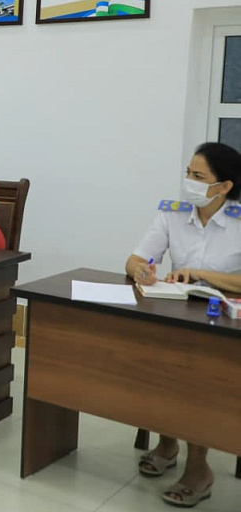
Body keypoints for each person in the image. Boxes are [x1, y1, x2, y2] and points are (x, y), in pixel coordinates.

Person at [125, 142, 241, 508]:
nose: (188, 181)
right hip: (178, 314)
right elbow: (134, 259)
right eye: (188, 173)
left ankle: (198, 467)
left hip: (226, 324)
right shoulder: (172, 214)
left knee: (200, 375)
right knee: (159, 363)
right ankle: (168, 444)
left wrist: (200, 274)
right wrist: (142, 270)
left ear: (224, 186)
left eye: (198, 176)